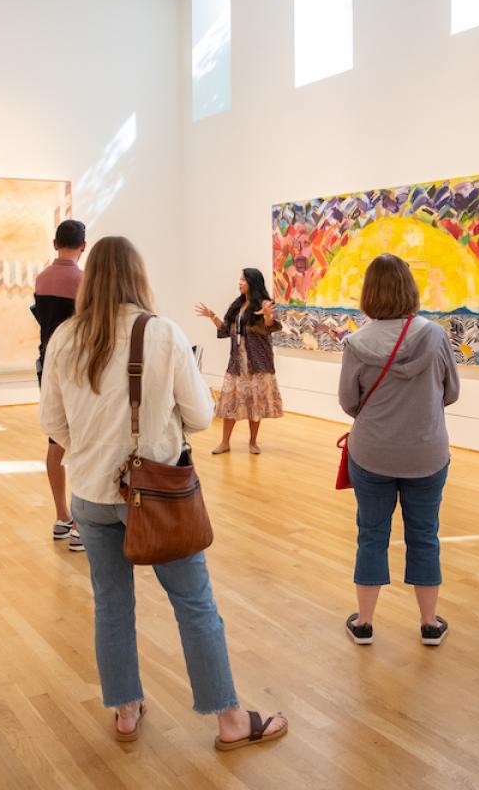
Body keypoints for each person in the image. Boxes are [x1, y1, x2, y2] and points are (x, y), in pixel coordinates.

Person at [40, 236, 288, 749]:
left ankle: (126, 710)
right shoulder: (162, 333)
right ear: (138, 276)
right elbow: (199, 415)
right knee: (195, 605)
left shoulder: (64, 337)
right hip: (156, 493)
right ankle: (229, 720)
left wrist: (93, 449)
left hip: (89, 494)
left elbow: (53, 425)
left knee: (111, 603)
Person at [338, 253, 459, 646]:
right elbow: (452, 392)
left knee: (371, 534)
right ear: (410, 288)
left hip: (371, 452)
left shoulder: (357, 342)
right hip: (426, 453)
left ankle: (364, 623)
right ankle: (428, 624)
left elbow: (348, 401)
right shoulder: (435, 335)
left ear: (369, 293)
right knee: (425, 535)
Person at [31, 219, 87, 551]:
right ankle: (81, 525)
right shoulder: (83, 281)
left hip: (47, 364)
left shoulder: (41, 278)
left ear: (55, 243)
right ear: (84, 245)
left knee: (56, 439)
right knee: (80, 442)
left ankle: (61, 516)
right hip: (76, 368)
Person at [194, 268, 284, 454]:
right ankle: (225, 442)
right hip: (237, 361)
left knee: (255, 403)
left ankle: (253, 442)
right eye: (240, 279)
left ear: (252, 282)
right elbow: (227, 330)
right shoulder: (238, 305)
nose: (240, 282)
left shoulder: (265, 304)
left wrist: (266, 315)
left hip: (257, 361)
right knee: (229, 401)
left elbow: (269, 326)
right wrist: (212, 316)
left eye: (243, 279)